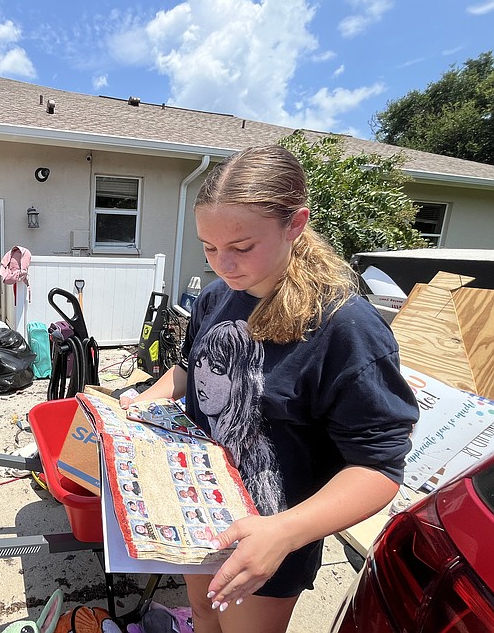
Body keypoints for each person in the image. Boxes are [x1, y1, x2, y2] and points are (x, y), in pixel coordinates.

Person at [121, 145, 418, 633]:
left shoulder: (346, 329)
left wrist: (283, 532)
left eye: (241, 247)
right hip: (199, 511)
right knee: (200, 616)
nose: (224, 265)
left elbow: (378, 466)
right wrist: (140, 406)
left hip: (271, 535)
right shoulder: (218, 295)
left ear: (295, 225)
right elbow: (187, 370)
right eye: (208, 248)